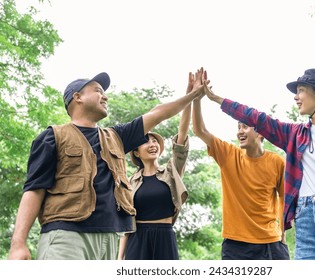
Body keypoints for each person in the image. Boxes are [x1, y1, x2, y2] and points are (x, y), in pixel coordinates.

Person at [8, 68, 206, 260]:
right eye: (98, 91)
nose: (105, 97)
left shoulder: (117, 137)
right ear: (78, 97)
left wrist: (190, 96)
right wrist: (18, 243)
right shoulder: (52, 137)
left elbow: (158, 113)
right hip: (67, 235)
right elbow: (34, 190)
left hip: (109, 240)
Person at [202, 68, 315, 260]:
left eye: (301, 90)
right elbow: (257, 118)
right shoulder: (295, 134)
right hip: (306, 227)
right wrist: (216, 98)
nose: (296, 97)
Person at [192, 81, 289, 260]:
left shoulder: (277, 162)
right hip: (235, 245)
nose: (240, 132)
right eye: (238, 127)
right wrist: (196, 99)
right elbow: (199, 130)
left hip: (271, 243)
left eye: (245, 126)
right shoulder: (228, 155)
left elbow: (284, 198)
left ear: (260, 133)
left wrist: (283, 231)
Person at [117, 70, 199, 260]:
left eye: (155, 141)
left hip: (165, 236)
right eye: (146, 141)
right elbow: (127, 223)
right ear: (136, 152)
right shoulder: (132, 181)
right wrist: (120, 258)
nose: (152, 144)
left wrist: (189, 97)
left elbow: (182, 136)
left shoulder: (171, 172)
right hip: (137, 240)